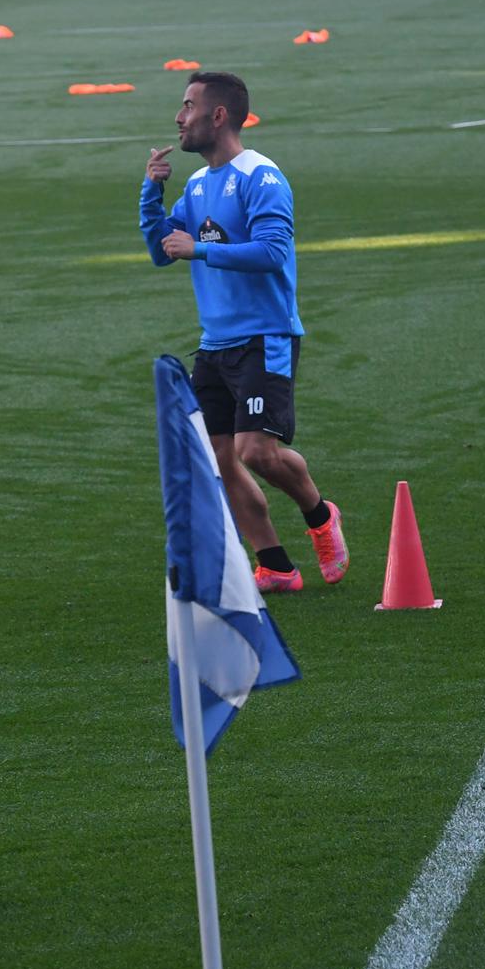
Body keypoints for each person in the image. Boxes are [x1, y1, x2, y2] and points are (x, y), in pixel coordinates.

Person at [139, 71, 348, 594]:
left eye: (188, 106)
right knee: (220, 459)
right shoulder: (197, 184)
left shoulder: (261, 176)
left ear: (219, 116)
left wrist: (202, 249)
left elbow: (274, 253)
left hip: (265, 336)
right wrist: (151, 194)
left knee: (257, 452)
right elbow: (163, 250)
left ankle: (320, 515)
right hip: (215, 344)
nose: (178, 117)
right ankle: (276, 565)